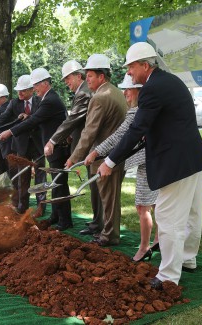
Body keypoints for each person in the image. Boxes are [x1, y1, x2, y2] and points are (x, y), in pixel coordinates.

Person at [99, 42, 202, 289]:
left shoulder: (152, 88)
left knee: (167, 216)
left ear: (144, 64)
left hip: (176, 163)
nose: (128, 72)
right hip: (192, 157)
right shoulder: (170, 81)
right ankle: (188, 258)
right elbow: (163, 124)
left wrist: (109, 161)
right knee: (192, 213)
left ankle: (167, 276)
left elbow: (136, 128)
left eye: (130, 66)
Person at [84, 74, 159, 262]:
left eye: (128, 88)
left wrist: (97, 153)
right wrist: (97, 153)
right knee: (159, 203)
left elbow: (120, 136)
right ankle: (158, 241)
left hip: (148, 164)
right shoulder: (152, 107)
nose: (124, 92)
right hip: (159, 160)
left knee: (143, 207)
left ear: (139, 90)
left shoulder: (136, 111)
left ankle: (144, 248)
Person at [65, 54, 128, 246]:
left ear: (102, 76)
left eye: (90, 76)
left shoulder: (100, 97)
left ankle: (109, 236)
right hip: (117, 154)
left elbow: (89, 132)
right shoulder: (116, 92)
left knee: (108, 199)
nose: (87, 80)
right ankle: (107, 231)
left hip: (106, 156)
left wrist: (73, 157)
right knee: (110, 198)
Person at [0, 68, 72, 231]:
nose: (35, 89)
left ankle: (65, 220)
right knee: (55, 183)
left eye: (36, 85)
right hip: (53, 148)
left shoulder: (49, 100)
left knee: (58, 184)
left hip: (57, 148)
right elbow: (35, 118)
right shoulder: (49, 98)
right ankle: (56, 215)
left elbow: (34, 120)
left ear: (45, 84)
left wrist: (10, 131)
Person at [44, 60, 103, 236]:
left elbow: (72, 120)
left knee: (97, 187)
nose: (66, 82)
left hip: (93, 146)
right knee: (94, 187)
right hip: (87, 146)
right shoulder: (83, 91)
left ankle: (100, 225)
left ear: (79, 76)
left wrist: (53, 141)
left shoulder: (84, 93)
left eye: (68, 78)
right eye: (64, 80)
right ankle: (97, 222)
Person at [0, 75, 47, 216]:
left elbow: (39, 119)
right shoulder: (14, 103)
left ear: (31, 89)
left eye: (22, 91)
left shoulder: (40, 101)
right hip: (21, 145)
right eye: (18, 91)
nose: (19, 94)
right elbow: (3, 117)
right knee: (22, 177)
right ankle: (22, 206)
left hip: (38, 145)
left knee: (40, 176)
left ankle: (41, 206)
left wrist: (29, 117)